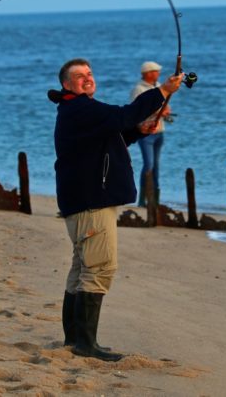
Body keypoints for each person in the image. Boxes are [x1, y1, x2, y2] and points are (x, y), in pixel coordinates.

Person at [48, 58, 183, 362]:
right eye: (79, 76)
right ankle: (85, 344)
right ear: (66, 85)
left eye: (89, 74)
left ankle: (76, 339)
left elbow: (115, 132)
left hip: (85, 200)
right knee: (99, 268)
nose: (87, 79)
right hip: (90, 201)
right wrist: (162, 90)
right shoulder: (80, 108)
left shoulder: (80, 110)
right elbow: (122, 116)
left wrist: (139, 132)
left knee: (82, 268)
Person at [129, 61, 172, 207]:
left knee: (156, 166)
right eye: (156, 71)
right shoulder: (138, 89)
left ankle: (155, 200)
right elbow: (137, 109)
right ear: (148, 73)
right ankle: (142, 200)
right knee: (149, 165)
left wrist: (166, 111)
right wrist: (159, 111)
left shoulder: (159, 86)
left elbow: (164, 105)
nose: (158, 74)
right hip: (145, 133)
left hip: (159, 131)